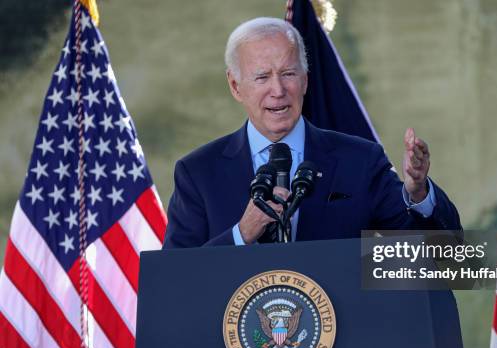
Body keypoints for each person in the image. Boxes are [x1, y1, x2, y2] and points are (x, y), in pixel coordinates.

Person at [162, 17, 461, 249]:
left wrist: (417, 191)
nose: (278, 90)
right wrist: (241, 235)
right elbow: (176, 283)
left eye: (289, 74)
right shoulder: (198, 173)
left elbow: (447, 260)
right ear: (235, 85)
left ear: (305, 80)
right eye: (262, 77)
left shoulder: (359, 160)